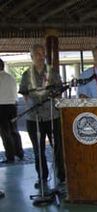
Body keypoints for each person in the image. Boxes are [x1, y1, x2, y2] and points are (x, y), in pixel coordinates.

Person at [19, 44, 65, 188]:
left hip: (53, 116)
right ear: (31, 56)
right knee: (38, 150)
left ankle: (62, 176)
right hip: (34, 118)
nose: (41, 56)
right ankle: (42, 177)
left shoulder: (53, 72)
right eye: (37, 54)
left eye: (42, 53)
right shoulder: (26, 75)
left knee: (58, 147)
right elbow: (24, 93)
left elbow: (59, 91)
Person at [0, 58, 24, 164]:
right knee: (14, 131)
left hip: (1, 107)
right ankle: (19, 153)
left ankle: (10, 156)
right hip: (13, 106)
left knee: (5, 133)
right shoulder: (11, 77)